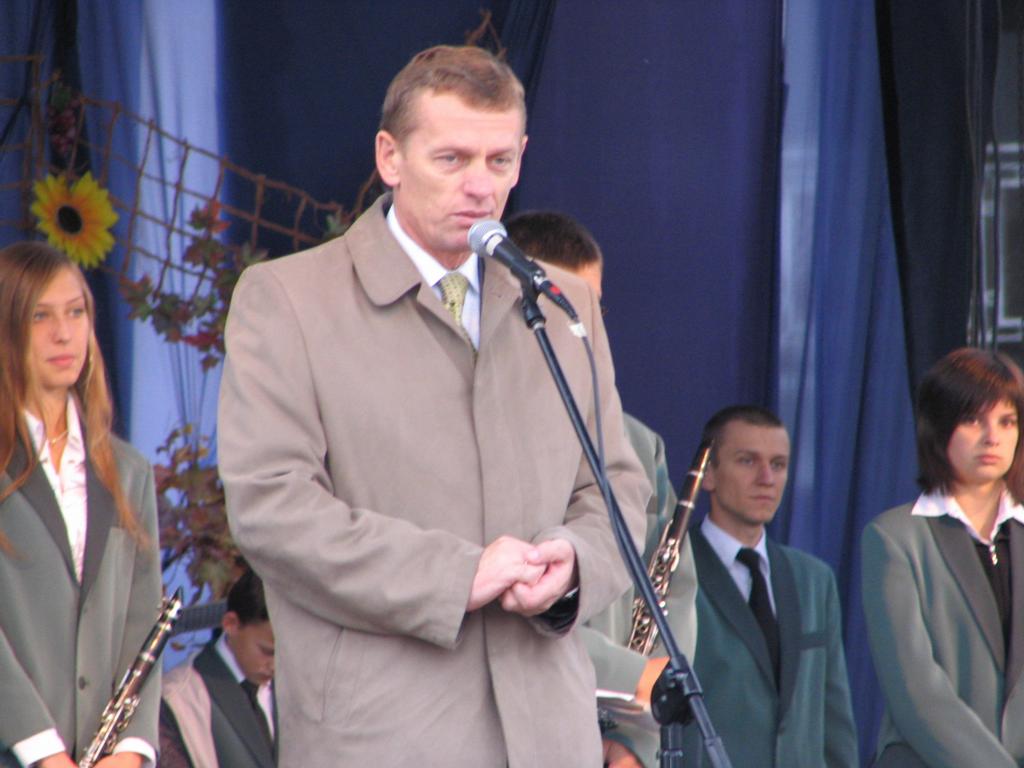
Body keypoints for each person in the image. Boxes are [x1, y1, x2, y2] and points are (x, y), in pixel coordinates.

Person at [216, 45, 649, 768]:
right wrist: (454, 577)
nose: (481, 185)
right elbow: (272, 505)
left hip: (548, 737)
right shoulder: (289, 299)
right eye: (452, 159)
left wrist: (573, 564)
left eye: (500, 161)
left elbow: (617, 489)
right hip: (382, 737)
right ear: (389, 157)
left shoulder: (561, 302)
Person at [504, 209, 697, 768]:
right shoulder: (479, 434)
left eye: (595, 308)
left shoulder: (637, 443)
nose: (586, 326)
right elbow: (505, 614)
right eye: (568, 304)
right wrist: (634, 678)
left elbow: (671, 599)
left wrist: (636, 740)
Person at [0, 242, 162, 768]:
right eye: (39, 316)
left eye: (75, 312)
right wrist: (43, 750)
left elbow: (143, 621)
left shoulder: (128, 470)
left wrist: (131, 749)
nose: (63, 333)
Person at [862, 347, 1024, 767]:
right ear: (938, 428)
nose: (992, 437)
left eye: (1006, 421)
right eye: (973, 420)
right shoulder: (894, 538)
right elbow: (917, 692)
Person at [682, 405, 858, 767]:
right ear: (708, 474)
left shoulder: (814, 579)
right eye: (747, 461)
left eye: (778, 465)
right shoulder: (675, 572)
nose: (766, 478)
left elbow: (835, 720)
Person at [160, 566, 277, 768]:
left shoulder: (298, 688)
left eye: (286, 655)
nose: (275, 666)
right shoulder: (178, 696)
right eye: (267, 651)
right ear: (231, 624)